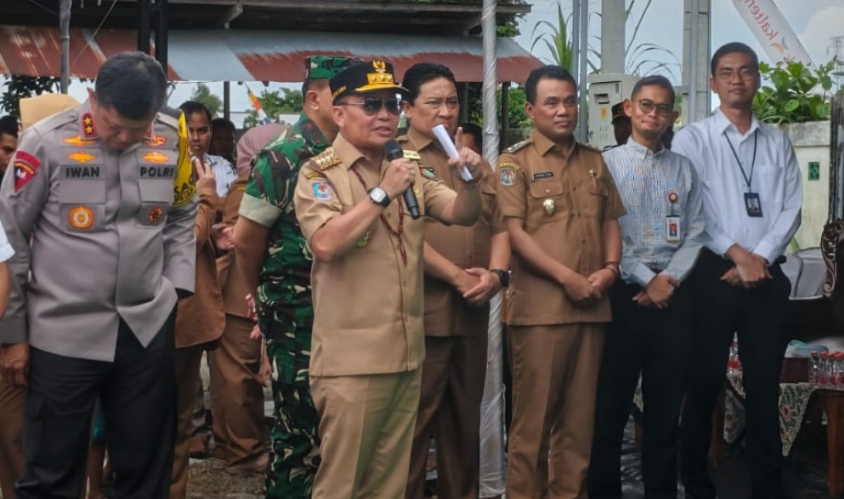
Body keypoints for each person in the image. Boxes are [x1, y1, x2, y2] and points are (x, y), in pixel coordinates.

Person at [0, 51, 197, 499]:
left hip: (145, 328)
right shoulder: (45, 143)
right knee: (51, 470)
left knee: (146, 467)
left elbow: (184, 212)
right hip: (61, 331)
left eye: (138, 128)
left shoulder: (170, 138)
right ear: (92, 98)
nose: (125, 138)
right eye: (113, 126)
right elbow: (9, 237)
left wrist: (175, 285)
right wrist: (13, 333)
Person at [293, 59, 483, 499]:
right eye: (371, 104)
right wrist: (382, 193)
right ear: (339, 114)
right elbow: (325, 243)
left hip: (406, 355)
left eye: (392, 105)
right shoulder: (319, 174)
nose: (385, 115)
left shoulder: (408, 164)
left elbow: (462, 213)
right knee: (343, 485)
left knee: (390, 487)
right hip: (352, 363)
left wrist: (468, 177)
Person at [673, 42, 802, 499]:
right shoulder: (693, 138)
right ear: (712, 82)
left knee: (764, 387)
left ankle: (768, 486)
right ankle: (696, 482)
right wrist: (736, 254)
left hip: (765, 277)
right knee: (703, 382)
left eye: (745, 72)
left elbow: (791, 209)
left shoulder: (777, 142)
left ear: (757, 78)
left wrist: (760, 257)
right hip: (711, 275)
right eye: (726, 73)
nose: (736, 80)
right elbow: (694, 207)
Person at [233, 56, 362, 498]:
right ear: (315, 99)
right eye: (345, 94)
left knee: (336, 433)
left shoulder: (353, 153)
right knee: (299, 433)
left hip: (344, 309)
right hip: (297, 313)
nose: (358, 104)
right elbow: (246, 239)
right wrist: (259, 297)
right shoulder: (285, 156)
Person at [496, 65, 625, 499]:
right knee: (533, 430)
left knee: (578, 427)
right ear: (531, 109)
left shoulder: (594, 160)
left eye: (569, 100)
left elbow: (610, 222)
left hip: (593, 309)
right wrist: (568, 278)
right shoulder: (514, 163)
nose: (563, 110)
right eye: (552, 102)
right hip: (541, 313)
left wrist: (610, 268)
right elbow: (514, 234)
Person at [587, 75, 705, 499]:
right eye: (646, 106)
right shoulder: (605, 164)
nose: (654, 114)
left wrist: (667, 279)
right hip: (622, 295)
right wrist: (644, 278)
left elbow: (697, 231)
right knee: (610, 409)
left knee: (665, 410)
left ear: (673, 115)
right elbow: (606, 230)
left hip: (672, 297)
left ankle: (660, 491)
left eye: (663, 108)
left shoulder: (684, 168)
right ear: (629, 108)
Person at [398, 62, 510, 499]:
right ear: (407, 108)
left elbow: (500, 224)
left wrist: (497, 276)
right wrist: (457, 278)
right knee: (413, 428)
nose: (445, 111)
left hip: (473, 315)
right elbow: (405, 233)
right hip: (423, 315)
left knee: (464, 428)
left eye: (452, 101)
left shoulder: (473, 160)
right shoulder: (398, 158)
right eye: (434, 102)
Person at [0, 93, 78, 499]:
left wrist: (16, 338)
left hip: (49, 336)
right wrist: (14, 338)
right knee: (15, 445)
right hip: (22, 334)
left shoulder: (73, 181)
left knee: (38, 448)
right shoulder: (18, 181)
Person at [210, 125, 287, 475]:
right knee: (240, 379)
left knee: (234, 377)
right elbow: (241, 242)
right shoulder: (249, 187)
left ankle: (232, 445)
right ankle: (243, 451)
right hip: (242, 295)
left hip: (242, 294)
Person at [170, 157, 227, 499]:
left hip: (175, 324)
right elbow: (182, 240)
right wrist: (207, 199)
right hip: (167, 322)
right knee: (171, 425)